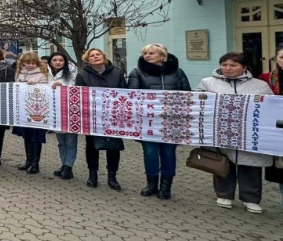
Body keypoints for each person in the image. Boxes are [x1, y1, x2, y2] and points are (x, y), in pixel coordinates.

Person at [198, 52, 275, 213]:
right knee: (223, 163)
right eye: (224, 64)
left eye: (233, 65)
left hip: (250, 133)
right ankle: (224, 194)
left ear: (244, 67)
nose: (228, 68)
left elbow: (270, 108)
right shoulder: (207, 82)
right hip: (220, 132)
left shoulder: (260, 85)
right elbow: (198, 103)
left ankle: (251, 199)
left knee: (251, 166)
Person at [127, 43, 191, 200]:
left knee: (169, 153)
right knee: (150, 153)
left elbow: (187, 94)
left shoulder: (177, 72)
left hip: (172, 120)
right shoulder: (137, 72)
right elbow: (132, 95)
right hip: (148, 121)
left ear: (162, 56)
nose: (147, 56)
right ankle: (151, 184)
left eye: (151, 53)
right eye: (145, 53)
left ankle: (166, 187)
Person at [75, 48, 127, 190]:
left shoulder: (117, 73)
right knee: (92, 146)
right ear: (88, 60)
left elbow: (125, 92)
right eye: (92, 56)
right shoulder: (83, 75)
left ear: (103, 57)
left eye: (98, 54)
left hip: (113, 116)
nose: (96, 57)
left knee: (113, 147)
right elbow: (79, 95)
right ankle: (93, 175)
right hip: (92, 116)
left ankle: (112, 176)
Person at [15, 51, 50, 174]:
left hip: (38, 111)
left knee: (36, 137)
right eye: (27, 63)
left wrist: (36, 85)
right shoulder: (20, 74)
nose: (30, 65)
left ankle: (35, 163)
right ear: (23, 63)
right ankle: (28, 160)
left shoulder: (42, 75)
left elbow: (45, 92)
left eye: (32, 63)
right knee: (27, 136)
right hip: (25, 111)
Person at [48, 53, 78, 180]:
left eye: (61, 60)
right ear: (50, 62)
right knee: (61, 141)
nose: (58, 62)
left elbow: (75, 87)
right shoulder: (46, 73)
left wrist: (63, 87)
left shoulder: (71, 72)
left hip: (70, 109)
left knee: (71, 141)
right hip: (55, 110)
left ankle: (69, 166)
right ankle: (63, 163)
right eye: (55, 60)